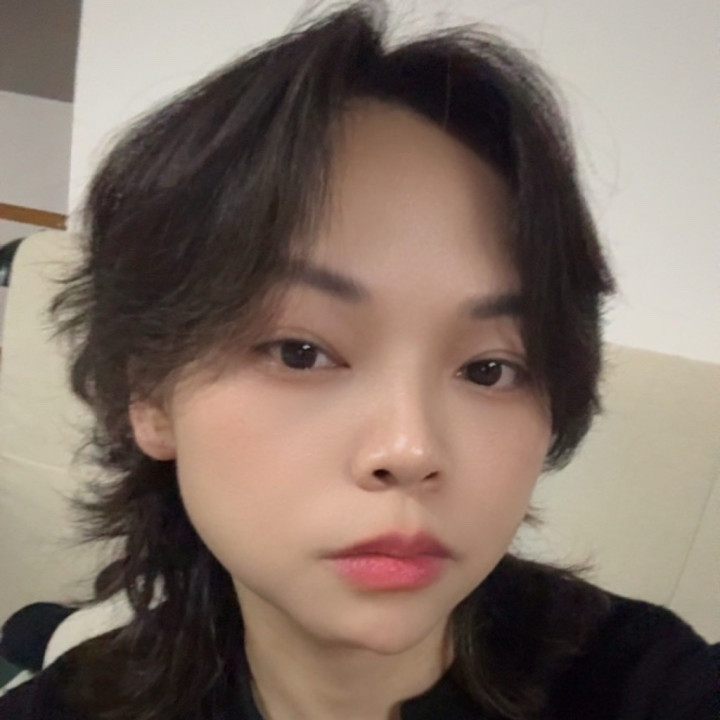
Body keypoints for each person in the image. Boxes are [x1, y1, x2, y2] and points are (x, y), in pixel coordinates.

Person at [0, 3, 716, 718]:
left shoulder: (640, 681)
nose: (409, 450)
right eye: (301, 352)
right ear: (151, 395)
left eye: (490, 369)